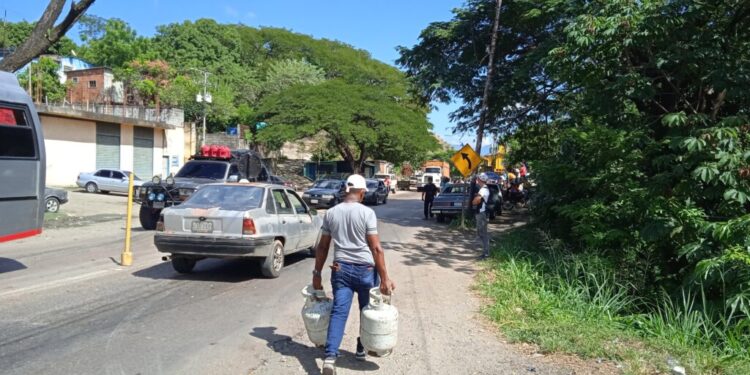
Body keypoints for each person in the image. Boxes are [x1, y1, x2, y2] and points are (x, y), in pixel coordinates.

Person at [312, 174, 396, 375]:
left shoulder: (331, 213)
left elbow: (322, 247)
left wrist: (316, 273)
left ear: (346, 190)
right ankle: (361, 348)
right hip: (365, 270)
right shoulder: (367, 213)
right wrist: (385, 278)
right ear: (362, 192)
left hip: (340, 269)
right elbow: (376, 248)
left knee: (339, 312)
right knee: (366, 310)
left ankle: (330, 357)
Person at [472, 173, 491, 259]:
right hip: (482, 213)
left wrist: (474, 201)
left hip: (482, 213)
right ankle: (485, 252)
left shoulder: (483, 190)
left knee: (483, 233)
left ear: (480, 180)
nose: (477, 180)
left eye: (478, 179)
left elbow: (476, 201)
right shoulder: (483, 189)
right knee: (481, 233)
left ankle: (486, 254)